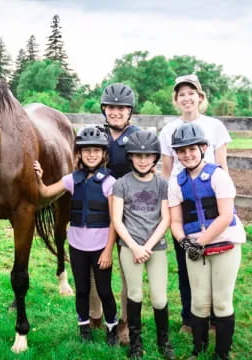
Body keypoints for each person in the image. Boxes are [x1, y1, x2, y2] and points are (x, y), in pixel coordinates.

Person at [158, 74, 231, 333]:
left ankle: (213, 317)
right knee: (187, 258)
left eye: (192, 93)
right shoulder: (168, 130)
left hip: (210, 198)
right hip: (183, 199)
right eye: (181, 94)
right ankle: (189, 317)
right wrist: (168, 205)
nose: (187, 98)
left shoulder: (215, 126)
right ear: (176, 100)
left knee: (215, 257)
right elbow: (167, 172)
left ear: (200, 97)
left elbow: (222, 164)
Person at [33, 126, 118, 344]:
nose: (91, 154)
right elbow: (45, 193)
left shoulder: (110, 183)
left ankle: (112, 328)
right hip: (77, 247)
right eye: (86, 150)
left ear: (104, 154)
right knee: (81, 290)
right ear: (78, 154)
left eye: (96, 151)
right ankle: (84, 329)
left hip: (101, 249)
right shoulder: (72, 179)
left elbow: (115, 222)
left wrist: (108, 250)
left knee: (104, 291)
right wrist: (40, 179)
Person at [168, 123, 245, 360]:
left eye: (192, 148)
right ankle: (198, 351)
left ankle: (222, 353)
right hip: (195, 247)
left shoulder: (218, 175)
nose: (187, 154)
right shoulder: (176, 182)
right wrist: (184, 242)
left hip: (224, 243)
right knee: (199, 302)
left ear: (203, 147)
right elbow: (175, 221)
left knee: (221, 302)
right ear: (177, 154)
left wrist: (200, 241)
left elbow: (225, 215)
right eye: (181, 151)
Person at [112, 130, 175, 360]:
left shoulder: (162, 184)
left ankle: (163, 340)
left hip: (155, 246)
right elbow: (117, 220)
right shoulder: (122, 184)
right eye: (138, 155)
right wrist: (135, 247)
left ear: (155, 158)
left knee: (159, 297)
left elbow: (166, 218)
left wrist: (147, 246)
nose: (143, 159)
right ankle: (136, 343)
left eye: (148, 156)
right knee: (135, 294)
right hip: (130, 247)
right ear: (130, 157)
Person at [89, 83, 141, 343]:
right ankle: (95, 314)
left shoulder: (137, 136)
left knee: (126, 266)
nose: (116, 112)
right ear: (104, 109)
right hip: (98, 209)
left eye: (121, 108)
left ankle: (125, 321)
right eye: (111, 107)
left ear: (129, 110)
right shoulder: (94, 134)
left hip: (128, 211)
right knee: (93, 264)